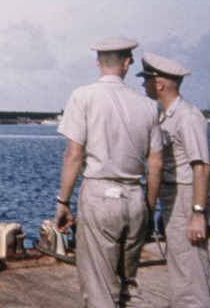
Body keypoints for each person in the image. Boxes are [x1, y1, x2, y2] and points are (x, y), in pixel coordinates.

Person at [54, 37, 163, 307]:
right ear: (127, 63)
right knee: (128, 286)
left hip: (100, 196)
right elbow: (157, 163)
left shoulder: (84, 96)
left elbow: (74, 155)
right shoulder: (148, 105)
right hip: (136, 198)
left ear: (97, 62)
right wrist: (148, 209)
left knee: (101, 290)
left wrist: (63, 203)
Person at [139, 53, 210, 307]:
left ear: (159, 84)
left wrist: (197, 213)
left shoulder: (188, 117)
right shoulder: (166, 116)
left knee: (192, 276)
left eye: (147, 79)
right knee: (181, 271)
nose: (143, 84)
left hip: (187, 197)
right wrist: (166, 211)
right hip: (175, 198)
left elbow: (201, 167)